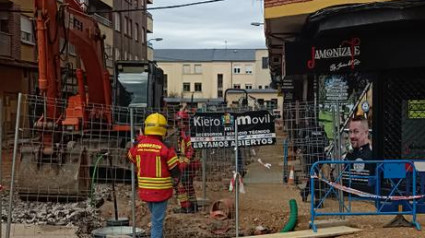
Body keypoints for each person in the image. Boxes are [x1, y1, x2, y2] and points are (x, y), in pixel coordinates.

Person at [127, 113, 180, 238]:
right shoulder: (165, 148)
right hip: (161, 192)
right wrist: (177, 178)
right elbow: (175, 169)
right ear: (164, 130)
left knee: (156, 218)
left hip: (145, 190)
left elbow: (130, 157)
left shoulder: (138, 146)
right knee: (157, 223)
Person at [173, 110, 201, 213]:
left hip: (190, 164)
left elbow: (191, 150)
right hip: (186, 163)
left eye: (180, 121)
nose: (178, 123)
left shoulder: (189, 133)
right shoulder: (182, 133)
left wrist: (185, 162)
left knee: (184, 184)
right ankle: (190, 206)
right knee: (185, 185)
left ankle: (188, 207)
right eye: (178, 122)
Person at [342, 116, 373, 193]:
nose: (352, 136)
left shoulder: (373, 155)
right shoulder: (349, 155)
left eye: (356, 132)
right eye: (350, 132)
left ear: (366, 133)